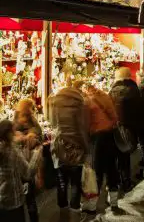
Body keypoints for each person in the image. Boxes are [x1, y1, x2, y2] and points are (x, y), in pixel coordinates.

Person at [48, 80, 90, 214]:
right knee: (75, 180)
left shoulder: (55, 104)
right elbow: (82, 128)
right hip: (75, 145)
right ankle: (74, 207)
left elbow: (53, 123)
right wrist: (86, 147)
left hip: (60, 144)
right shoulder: (79, 104)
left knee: (61, 178)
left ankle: (62, 206)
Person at [82, 81, 122, 212]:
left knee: (96, 171)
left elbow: (87, 124)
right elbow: (115, 117)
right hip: (110, 135)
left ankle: (93, 205)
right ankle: (114, 201)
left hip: (98, 138)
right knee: (111, 168)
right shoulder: (105, 96)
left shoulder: (88, 102)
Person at [0, 119, 43, 222]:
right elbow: (28, 172)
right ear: (10, 133)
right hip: (13, 200)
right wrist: (37, 153)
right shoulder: (12, 151)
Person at [109, 67, 143, 191]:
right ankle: (126, 181)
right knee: (125, 155)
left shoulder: (112, 90)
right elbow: (139, 109)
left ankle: (117, 181)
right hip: (129, 126)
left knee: (116, 155)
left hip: (114, 126)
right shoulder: (133, 89)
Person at [12, 99, 43, 222]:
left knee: (30, 197)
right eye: (31, 108)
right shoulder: (14, 121)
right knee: (22, 197)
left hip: (29, 160)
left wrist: (32, 135)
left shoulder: (32, 121)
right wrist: (21, 138)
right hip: (19, 162)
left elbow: (39, 134)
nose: (33, 110)